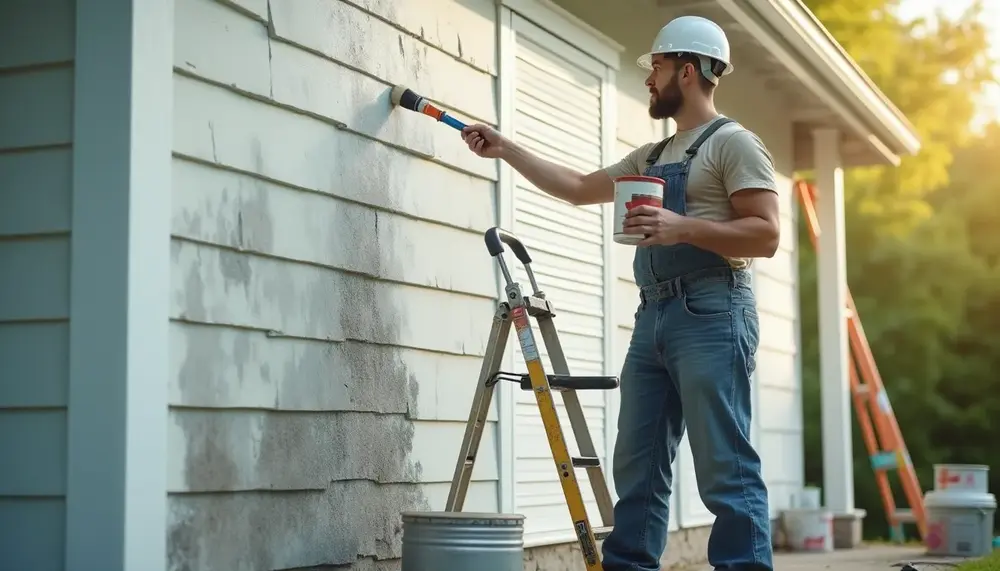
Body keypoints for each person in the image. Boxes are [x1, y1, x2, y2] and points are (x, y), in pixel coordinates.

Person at [460, 14, 780, 571]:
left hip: (712, 309)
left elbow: (767, 233)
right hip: (653, 315)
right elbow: (580, 188)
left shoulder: (734, 144)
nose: (649, 79)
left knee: (725, 467)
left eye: (655, 67)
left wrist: (682, 227)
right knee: (637, 464)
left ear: (687, 69)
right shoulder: (652, 157)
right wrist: (504, 149)